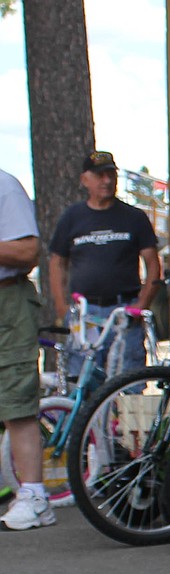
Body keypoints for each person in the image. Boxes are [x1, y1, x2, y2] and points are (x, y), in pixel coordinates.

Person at [48, 150, 161, 373]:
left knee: (129, 378)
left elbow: (153, 263)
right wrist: (62, 307)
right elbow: (56, 263)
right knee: (83, 379)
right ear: (85, 180)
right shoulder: (72, 217)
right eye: (100, 175)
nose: (107, 181)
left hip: (124, 310)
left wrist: (143, 303)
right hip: (85, 312)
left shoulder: (134, 217)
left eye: (111, 175)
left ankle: (127, 407)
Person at [0, 167, 52, 532]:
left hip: (7, 302)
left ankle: (34, 497)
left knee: (16, 399)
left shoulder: (3, 186)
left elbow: (29, 250)